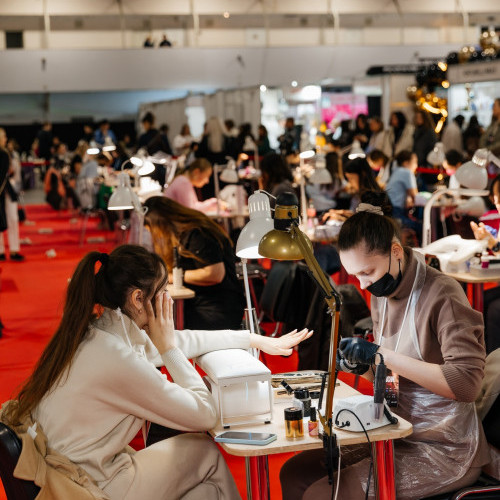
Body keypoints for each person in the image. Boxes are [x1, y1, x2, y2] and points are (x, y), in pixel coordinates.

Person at [0, 244, 312, 499]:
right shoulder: (117, 358)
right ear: (138, 299)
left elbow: (186, 340)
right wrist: (169, 350)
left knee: (204, 492)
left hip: (71, 470)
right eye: (164, 291)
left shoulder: (99, 332)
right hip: (88, 486)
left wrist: (253, 339)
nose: (169, 298)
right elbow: (205, 415)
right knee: (206, 451)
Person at [280, 202, 489, 500]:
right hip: (395, 428)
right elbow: (393, 380)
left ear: (395, 251)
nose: (363, 284)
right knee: (294, 474)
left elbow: (467, 385)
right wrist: (364, 368)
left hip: (445, 447)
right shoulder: (382, 294)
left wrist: (381, 355)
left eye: (367, 272)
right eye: (355, 275)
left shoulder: (443, 294)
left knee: (319, 494)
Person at [144, 197, 246, 330]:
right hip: (204, 305)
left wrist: (174, 277)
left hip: (217, 310)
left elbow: (215, 273)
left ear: (162, 224)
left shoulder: (198, 234)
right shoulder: (186, 235)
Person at [0, 128, 24, 261]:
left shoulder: (6, 153)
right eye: (3, 136)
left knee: (13, 219)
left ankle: (12, 249)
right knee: (10, 219)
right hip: (4, 190)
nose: (5, 139)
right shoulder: (4, 154)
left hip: (7, 190)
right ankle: (4, 251)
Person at [385, 150, 421, 238]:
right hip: (396, 212)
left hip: (388, 211)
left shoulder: (396, 171)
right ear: (406, 163)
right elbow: (416, 196)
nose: (416, 166)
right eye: (415, 162)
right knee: (422, 227)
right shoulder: (406, 172)